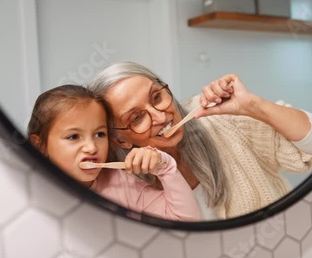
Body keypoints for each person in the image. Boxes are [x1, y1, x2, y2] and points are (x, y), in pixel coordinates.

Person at [88, 61, 312, 220]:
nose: (159, 115)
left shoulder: (219, 118)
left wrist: (252, 106)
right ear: (120, 140)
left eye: (156, 97)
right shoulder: (122, 188)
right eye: (137, 117)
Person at [26, 84, 201, 221]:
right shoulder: (25, 190)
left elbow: (185, 221)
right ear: (40, 145)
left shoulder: (123, 185)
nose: (91, 147)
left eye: (99, 134)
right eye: (73, 137)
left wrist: (164, 166)